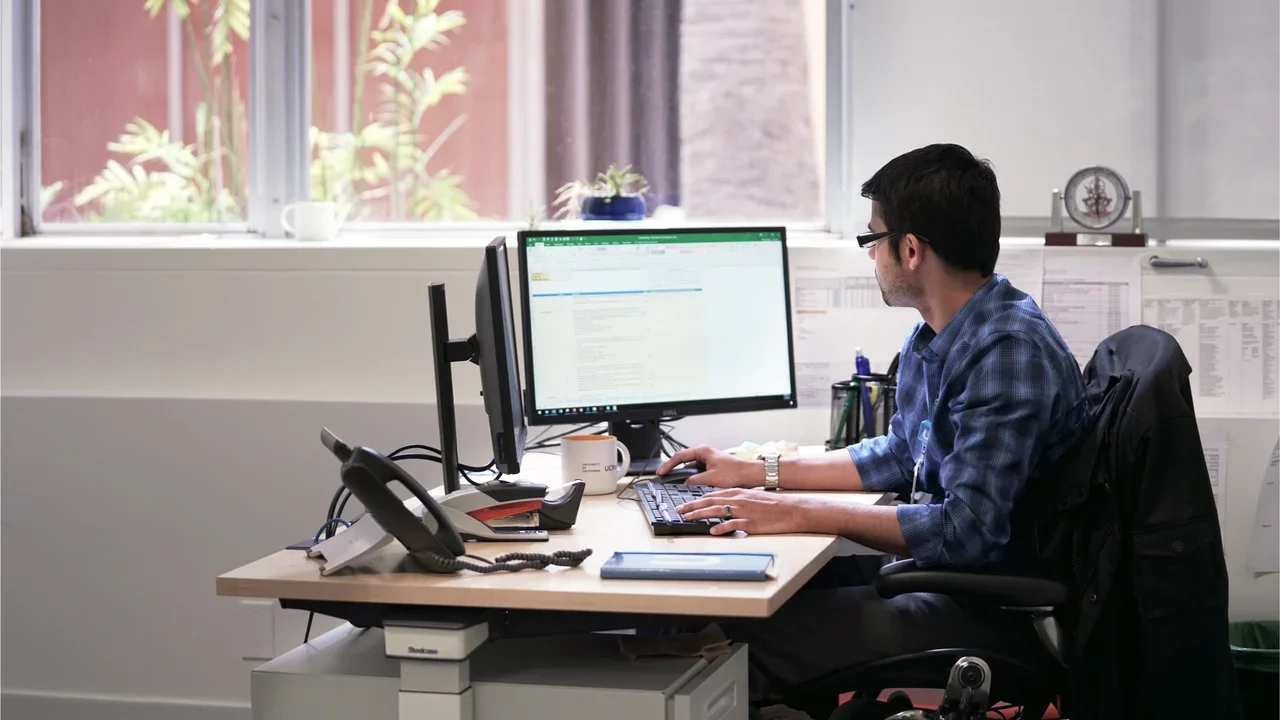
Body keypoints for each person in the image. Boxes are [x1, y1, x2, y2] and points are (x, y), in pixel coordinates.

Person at [656, 143, 1091, 712]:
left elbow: (967, 531)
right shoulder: (941, 333)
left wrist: (796, 511)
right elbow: (898, 454)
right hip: (951, 580)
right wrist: (759, 472)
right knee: (749, 591)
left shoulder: (1006, 351)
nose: (871, 256)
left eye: (872, 239)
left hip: (994, 611)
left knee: (741, 640)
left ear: (909, 249)